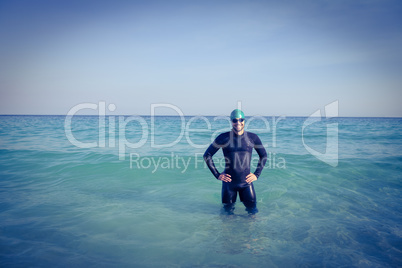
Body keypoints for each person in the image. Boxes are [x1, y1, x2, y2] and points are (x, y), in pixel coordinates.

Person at [204, 109, 267, 215]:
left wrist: (256, 174)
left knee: (253, 214)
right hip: (229, 184)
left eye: (241, 120)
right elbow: (207, 155)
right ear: (231, 121)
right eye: (235, 120)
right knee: (227, 216)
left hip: (247, 183)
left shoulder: (252, 137)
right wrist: (217, 175)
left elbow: (263, 155)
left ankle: (252, 232)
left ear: (244, 121)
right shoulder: (223, 137)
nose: (238, 123)